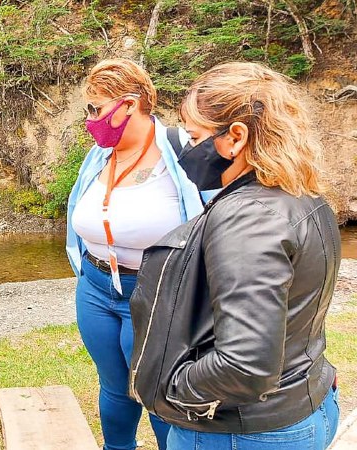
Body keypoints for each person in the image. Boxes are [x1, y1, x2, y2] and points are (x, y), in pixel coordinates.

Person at [129, 61, 340, 450]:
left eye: (195, 137)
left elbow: (246, 364)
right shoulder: (300, 193)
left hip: (243, 432)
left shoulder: (248, 219)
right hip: (303, 404)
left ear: (236, 137)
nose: (187, 150)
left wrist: (174, 389)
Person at [65, 58, 204, 450]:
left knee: (158, 392)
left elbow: (219, 219)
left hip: (157, 293)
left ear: (129, 104)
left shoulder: (182, 151)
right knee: (113, 386)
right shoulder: (99, 155)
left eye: (96, 108)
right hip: (95, 288)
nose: (90, 119)